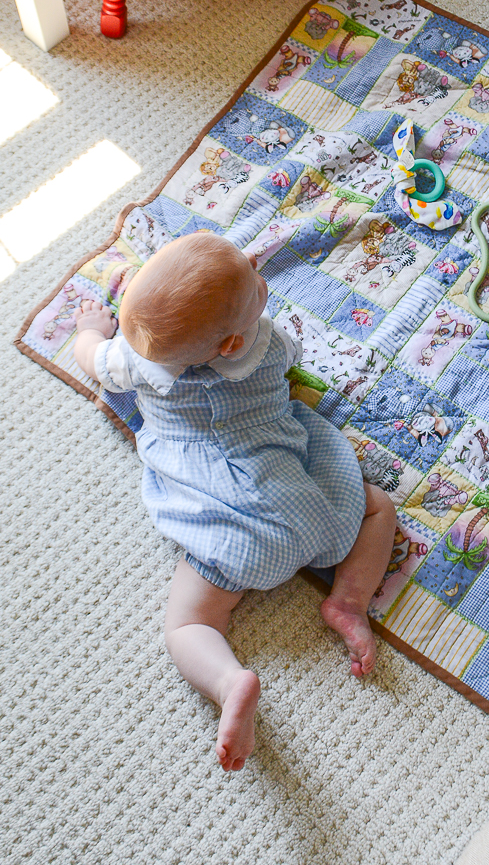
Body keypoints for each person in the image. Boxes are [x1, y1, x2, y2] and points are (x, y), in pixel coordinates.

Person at [73, 231, 396, 773]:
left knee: (188, 625)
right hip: (307, 511)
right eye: (252, 272)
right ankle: (349, 601)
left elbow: (92, 359)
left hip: (231, 538)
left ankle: (228, 681)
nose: (252, 260)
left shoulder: (131, 362)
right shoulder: (268, 343)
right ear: (230, 344)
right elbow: (293, 359)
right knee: (378, 507)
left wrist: (89, 332)